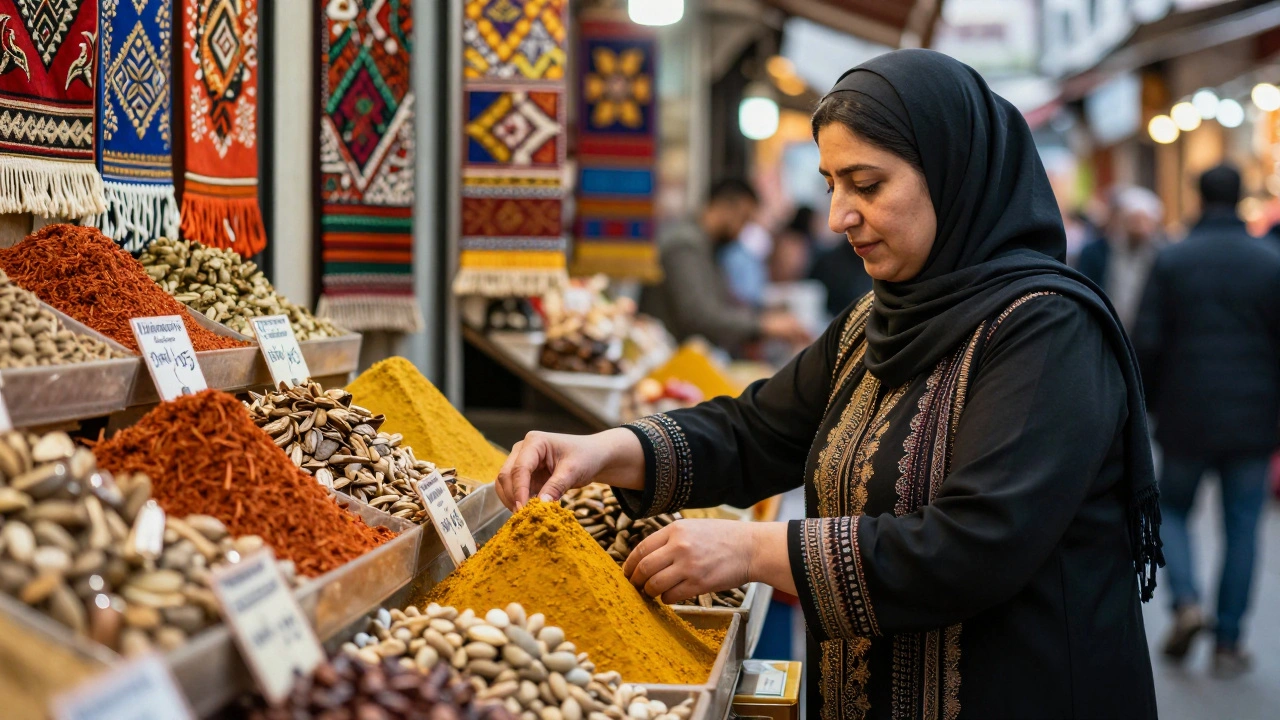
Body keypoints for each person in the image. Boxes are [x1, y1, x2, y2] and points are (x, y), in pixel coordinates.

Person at [499, 50, 1160, 719]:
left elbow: (975, 544)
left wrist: (754, 548)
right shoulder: (877, 319)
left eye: (867, 185)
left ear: (952, 174)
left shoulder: (1047, 330)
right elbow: (757, 430)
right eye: (832, 184)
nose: (840, 214)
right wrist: (606, 450)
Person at [1133, 164, 1280, 677]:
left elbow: (1146, 341)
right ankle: (1229, 640)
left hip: (1187, 414)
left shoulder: (1172, 259)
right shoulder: (1270, 261)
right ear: (1240, 196)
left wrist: (1147, 405)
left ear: (1198, 196)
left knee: (1173, 508)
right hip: (1256, 418)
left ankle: (1187, 601)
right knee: (1243, 525)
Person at [640, 179, 810, 353]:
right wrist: (763, 326)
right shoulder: (685, 245)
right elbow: (699, 316)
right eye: (743, 219)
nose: (741, 232)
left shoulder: (706, 245)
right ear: (725, 207)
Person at [1078, 186, 1165, 330]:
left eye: (1144, 220)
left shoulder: (1164, 253)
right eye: (1134, 220)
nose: (1139, 227)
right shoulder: (1096, 252)